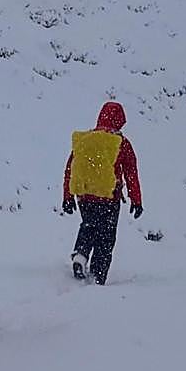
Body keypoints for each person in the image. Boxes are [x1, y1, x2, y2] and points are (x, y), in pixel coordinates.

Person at [62, 101, 143, 285]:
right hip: (109, 197)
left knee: (89, 225)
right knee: (106, 237)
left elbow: (70, 169)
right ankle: (98, 277)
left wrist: (67, 196)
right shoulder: (121, 143)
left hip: (84, 196)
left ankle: (81, 254)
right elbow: (131, 173)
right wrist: (136, 200)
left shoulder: (86, 139)